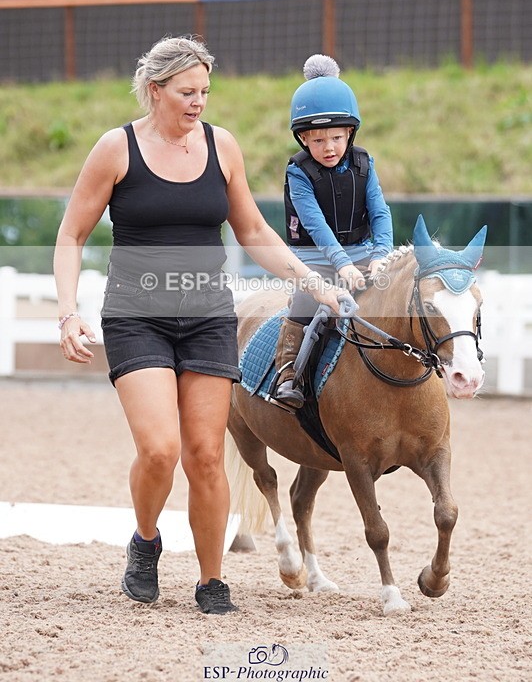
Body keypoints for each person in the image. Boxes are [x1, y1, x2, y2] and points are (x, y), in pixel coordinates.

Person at [53, 36, 347, 615]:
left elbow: (256, 233)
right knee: (160, 450)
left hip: (209, 315)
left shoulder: (222, 147)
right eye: (187, 92)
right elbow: (71, 235)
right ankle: (145, 542)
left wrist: (313, 282)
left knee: (206, 456)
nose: (198, 103)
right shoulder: (116, 149)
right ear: (155, 89)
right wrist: (68, 312)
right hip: (137, 316)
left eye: (205, 92)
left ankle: (212, 580)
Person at [274, 54, 394, 408]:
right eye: (318, 140)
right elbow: (316, 225)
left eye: (337, 137)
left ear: (350, 133)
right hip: (314, 257)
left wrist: (382, 255)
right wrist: (341, 264)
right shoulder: (298, 173)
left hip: (362, 250)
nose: (328, 148)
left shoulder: (363, 163)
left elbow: (380, 211)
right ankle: (288, 373)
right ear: (304, 141)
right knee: (307, 300)